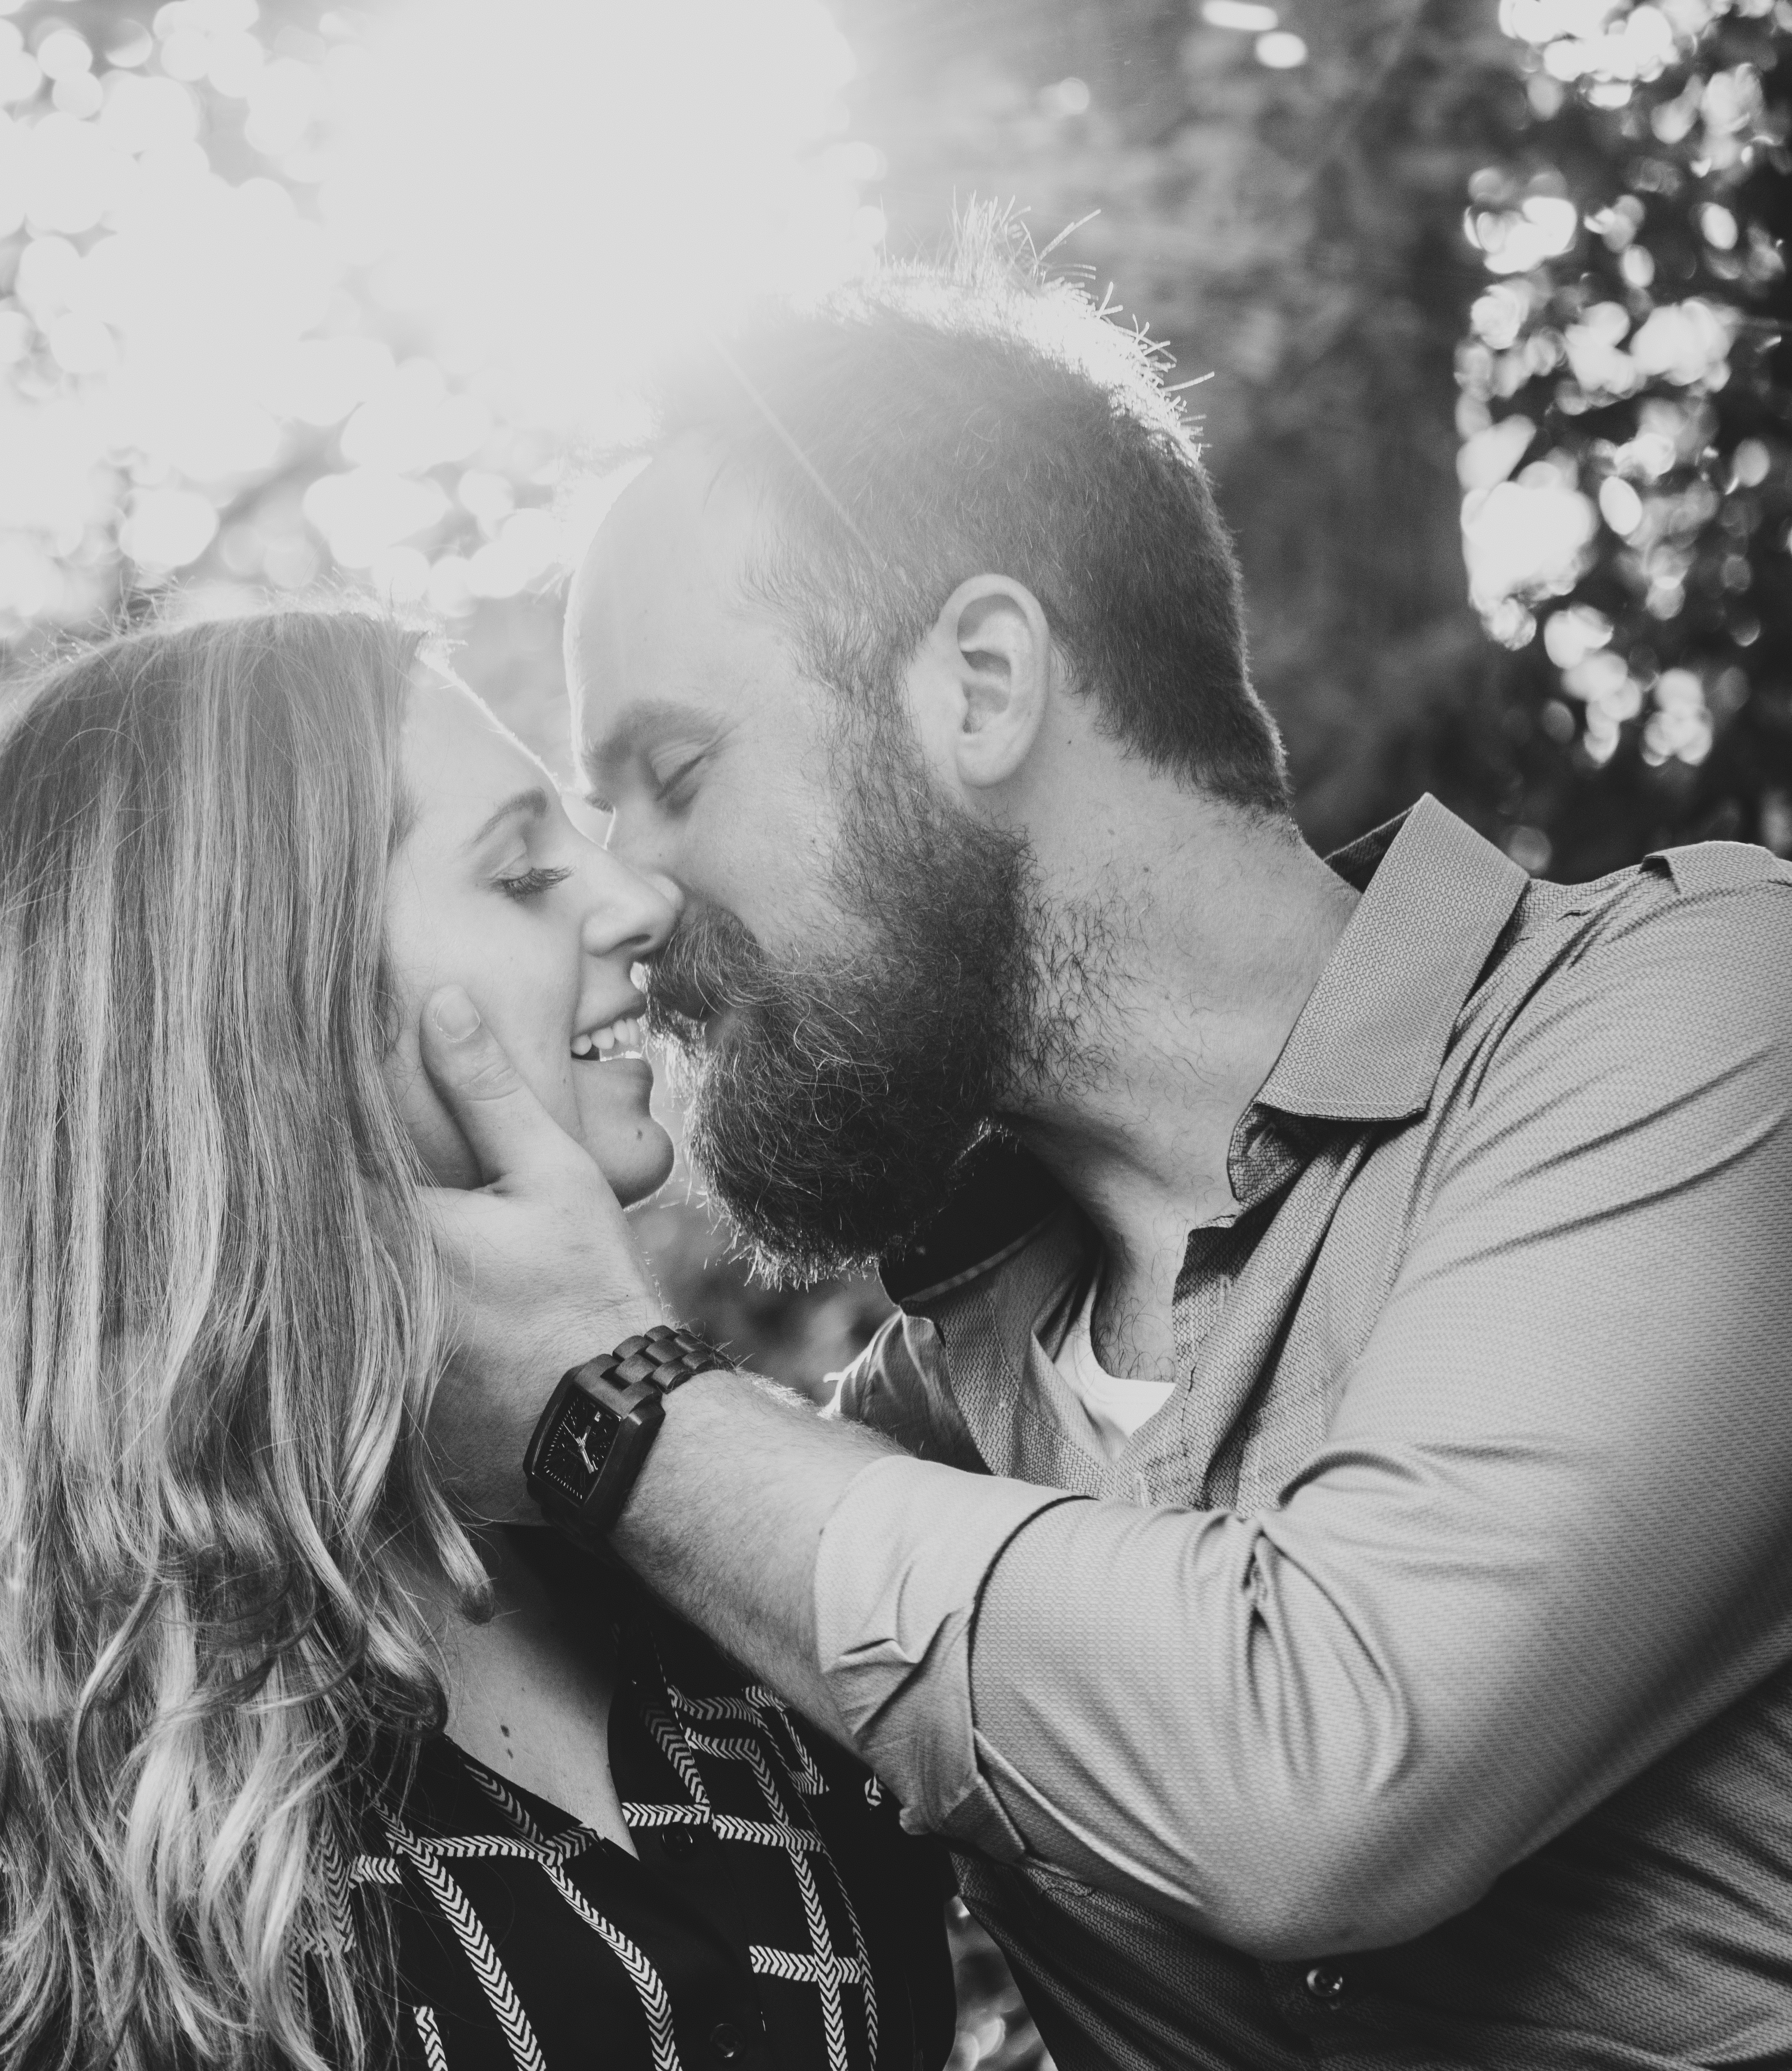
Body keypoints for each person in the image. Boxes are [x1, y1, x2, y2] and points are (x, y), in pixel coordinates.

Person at [408, 232, 1792, 2068]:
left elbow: (1322, 1769)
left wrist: (617, 1401)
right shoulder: (917, 1421)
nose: (636, 901)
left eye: (673, 770)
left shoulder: (1696, 1011)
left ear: (981, 684)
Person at [0, 613, 959, 2071]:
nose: (635, 900)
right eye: (526, 871)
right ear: (273, 1013)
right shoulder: (8, 1696)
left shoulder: (716, 1551)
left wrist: (628, 1389)